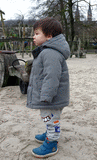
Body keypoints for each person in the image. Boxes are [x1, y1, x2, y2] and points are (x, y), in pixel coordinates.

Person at [27, 17, 70, 158]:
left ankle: (51, 143)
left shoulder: (50, 53)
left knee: (52, 118)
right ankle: (49, 133)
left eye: (37, 33)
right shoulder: (46, 51)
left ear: (49, 36)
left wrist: (46, 96)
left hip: (50, 97)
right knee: (48, 117)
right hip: (50, 96)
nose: (33, 36)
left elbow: (52, 77)